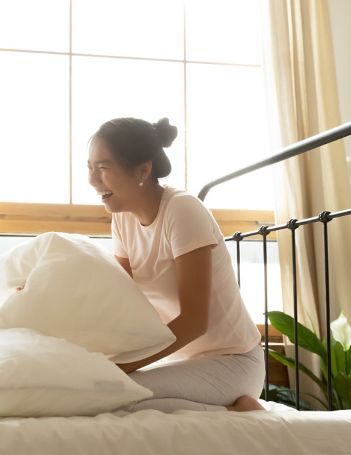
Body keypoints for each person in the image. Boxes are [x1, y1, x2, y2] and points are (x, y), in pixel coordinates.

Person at [87, 117, 264, 412]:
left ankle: (239, 411)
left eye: (103, 168)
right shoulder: (123, 217)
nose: (92, 180)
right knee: (97, 391)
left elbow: (195, 321)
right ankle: (230, 411)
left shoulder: (183, 210)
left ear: (143, 169)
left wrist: (125, 365)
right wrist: (48, 291)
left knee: (115, 398)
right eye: (90, 167)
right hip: (180, 361)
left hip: (232, 362)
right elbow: (117, 296)